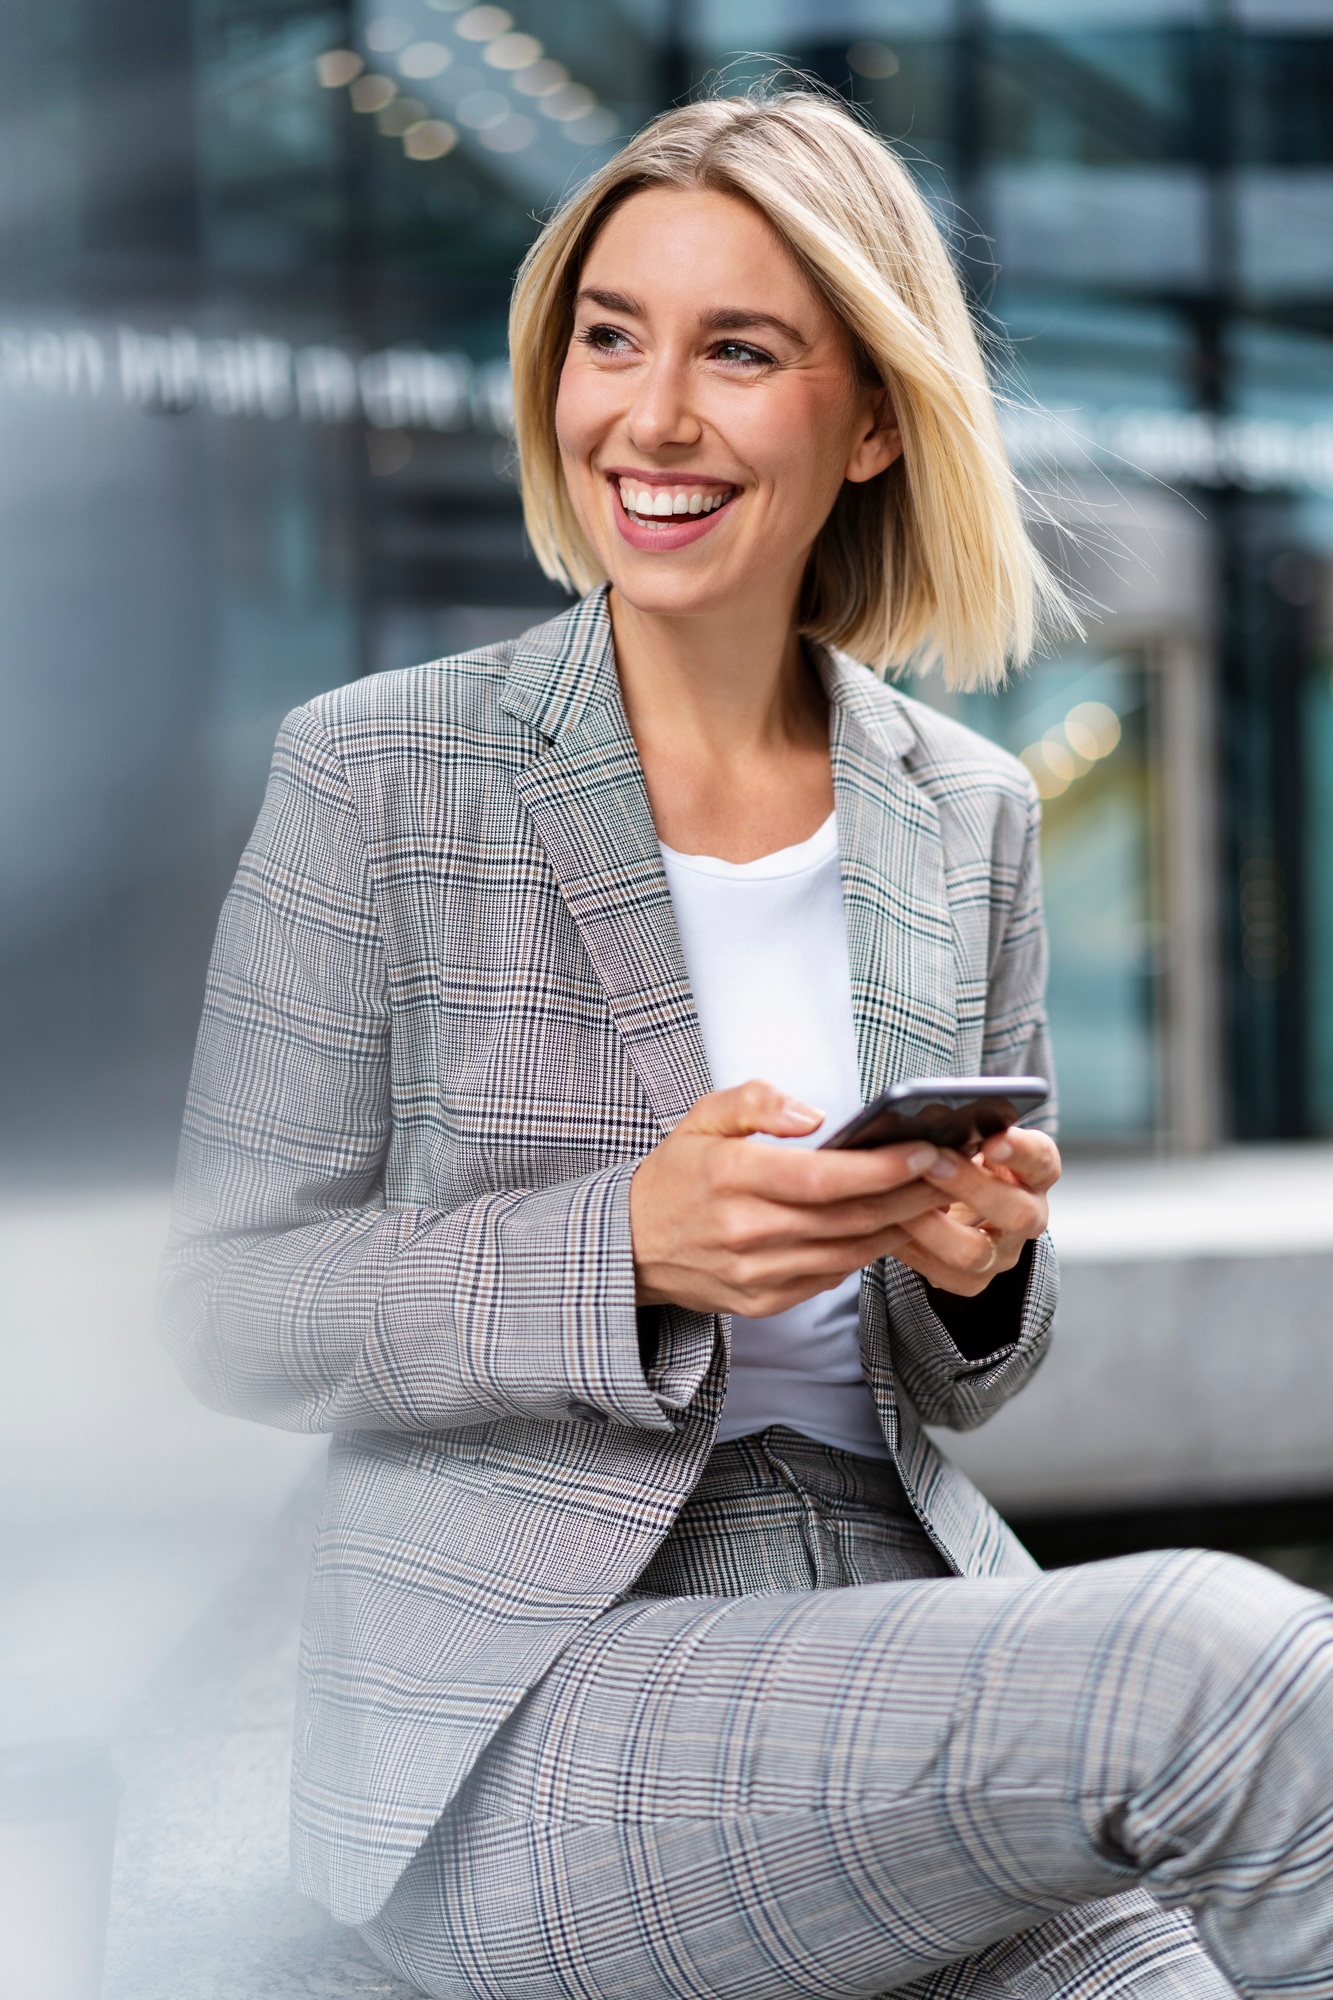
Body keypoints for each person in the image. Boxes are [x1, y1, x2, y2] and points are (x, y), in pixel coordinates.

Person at [160, 89, 1333, 1999]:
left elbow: (959, 1387)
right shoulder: (378, 770)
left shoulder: (963, 808)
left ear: (871, 418)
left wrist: (977, 1269)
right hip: (527, 1698)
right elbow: (226, 1306)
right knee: (1221, 1662)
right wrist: (620, 1242)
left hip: (893, 1626)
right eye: (611, 337)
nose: (652, 414)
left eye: (739, 350)